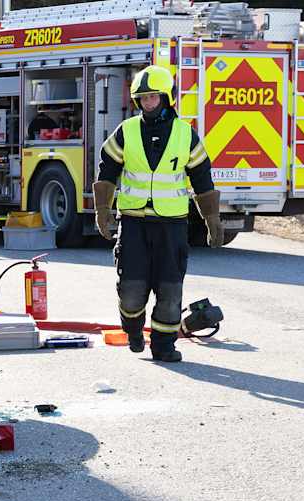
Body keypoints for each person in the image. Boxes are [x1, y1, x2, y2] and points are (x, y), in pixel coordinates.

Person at [93, 65, 220, 363]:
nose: (148, 103)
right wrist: (102, 210)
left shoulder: (185, 135)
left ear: (166, 98)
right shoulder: (126, 132)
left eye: (153, 97)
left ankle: (164, 346)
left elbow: (202, 177)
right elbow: (107, 170)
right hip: (133, 224)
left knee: (170, 290)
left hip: (171, 226)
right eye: (143, 98)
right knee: (131, 290)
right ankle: (133, 331)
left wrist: (212, 219)